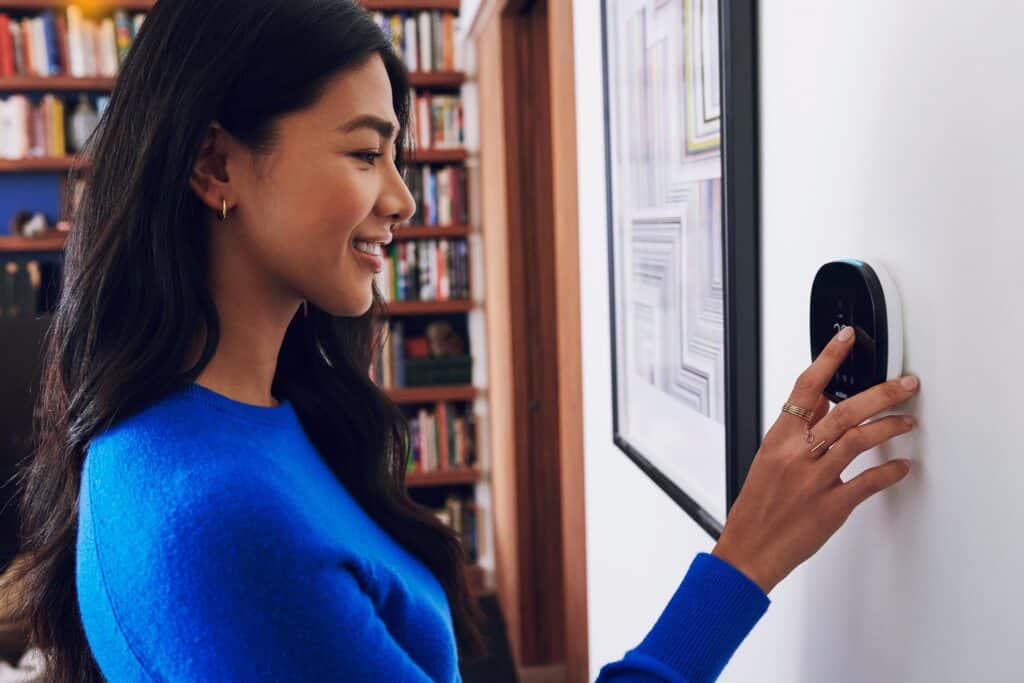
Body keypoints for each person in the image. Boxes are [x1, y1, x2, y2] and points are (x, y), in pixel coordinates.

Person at [0, 1, 920, 681]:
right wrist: (743, 560)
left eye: (398, 155)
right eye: (366, 154)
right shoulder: (217, 521)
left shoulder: (175, 430)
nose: (403, 198)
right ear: (214, 164)